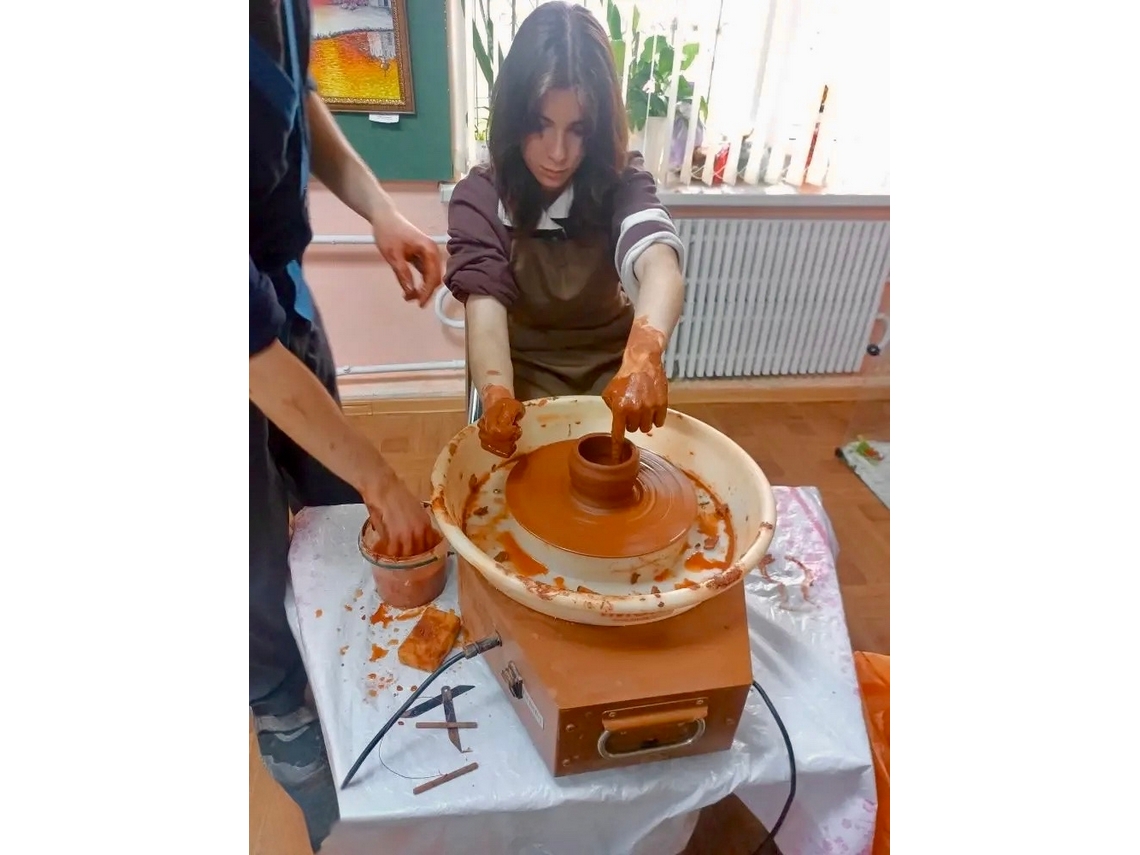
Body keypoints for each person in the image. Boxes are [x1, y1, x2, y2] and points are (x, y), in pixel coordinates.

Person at [250, 0, 441, 848]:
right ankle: (301, 751)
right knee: (253, 588)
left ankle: (360, 697)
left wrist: (379, 207)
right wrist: (382, 476)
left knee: (335, 523)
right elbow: (243, 347)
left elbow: (302, 98)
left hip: (274, 295)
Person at [444, 1, 687, 458]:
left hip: (612, 373)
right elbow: (485, 311)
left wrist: (644, 355)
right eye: (540, 126)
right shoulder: (480, 197)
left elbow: (659, 263)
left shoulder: (620, 181)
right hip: (520, 373)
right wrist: (496, 395)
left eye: (577, 130)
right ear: (514, 117)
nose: (558, 152)